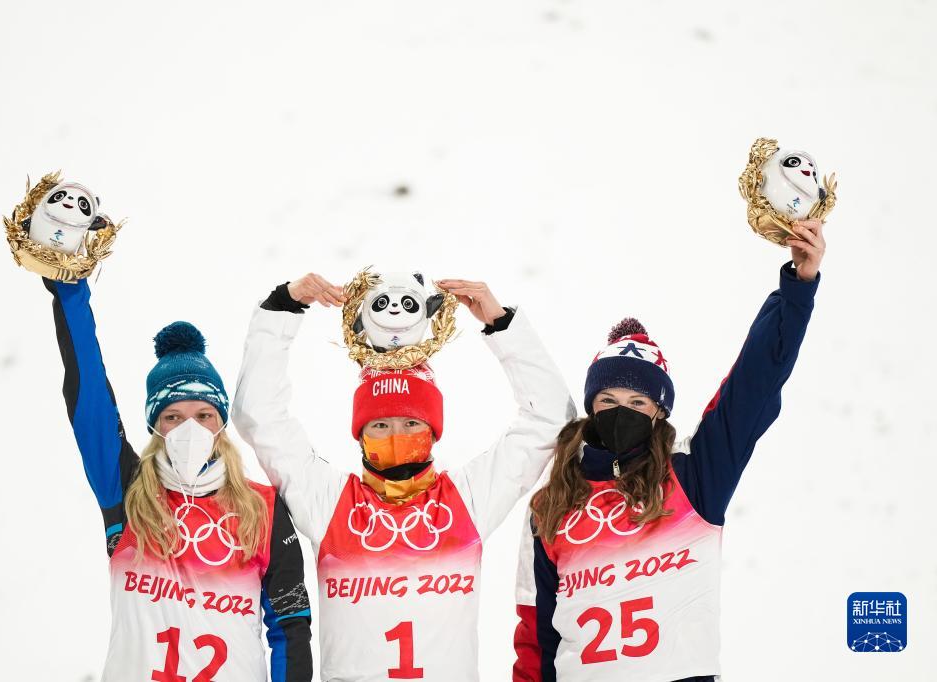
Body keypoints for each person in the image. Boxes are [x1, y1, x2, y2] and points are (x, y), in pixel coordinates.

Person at [512, 220, 827, 681]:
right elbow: (535, 636)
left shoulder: (694, 475)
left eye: (638, 402)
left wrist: (797, 289)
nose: (623, 412)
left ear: (659, 412)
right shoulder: (550, 505)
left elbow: (753, 385)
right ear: (590, 409)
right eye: (609, 401)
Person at [232, 274, 576, 681]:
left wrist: (501, 326)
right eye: (379, 425)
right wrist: (283, 307)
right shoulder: (329, 502)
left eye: (411, 422)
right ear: (359, 433)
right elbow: (259, 417)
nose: (396, 436)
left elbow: (552, 418)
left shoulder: (466, 501)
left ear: (433, 431)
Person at [41, 276, 312, 681]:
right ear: (155, 425)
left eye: (203, 416)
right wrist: (70, 288)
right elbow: (90, 395)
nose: (191, 430)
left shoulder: (263, 508)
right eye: (173, 417)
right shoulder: (126, 489)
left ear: (221, 423)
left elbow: (290, 626)